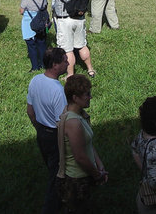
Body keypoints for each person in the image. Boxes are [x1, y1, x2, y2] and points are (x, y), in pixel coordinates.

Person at [26, 47, 69, 214]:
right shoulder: (58, 90)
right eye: (65, 60)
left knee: (52, 170)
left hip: (42, 133)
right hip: (54, 137)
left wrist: (39, 128)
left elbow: (30, 111)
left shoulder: (35, 80)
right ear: (55, 65)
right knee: (57, 177)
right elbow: (63, 122)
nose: (68, 62)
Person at [57, 74, 107, 213]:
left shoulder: (77, 114)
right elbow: (80, 156)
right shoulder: (73, 123)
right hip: (77, 180)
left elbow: (87, 144)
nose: (90, 97)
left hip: (83, 176)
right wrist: (97, 174)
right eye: (87, 94)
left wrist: (99, 164)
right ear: (75, 98)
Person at [41, 0, 95, 78]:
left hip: (65, 20)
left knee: (68, 50)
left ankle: (70, 75)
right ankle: (90, 70)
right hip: (79, 19)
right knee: (82, 45)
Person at [20, 0, 49, 72]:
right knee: (42, 44)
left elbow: (21, 11)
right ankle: (43, 64)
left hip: (29, 24)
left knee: (31, 46)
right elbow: (45, 7)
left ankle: (35, 67)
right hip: (41, 22)